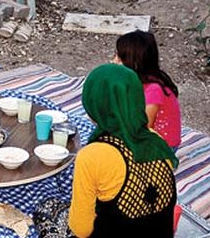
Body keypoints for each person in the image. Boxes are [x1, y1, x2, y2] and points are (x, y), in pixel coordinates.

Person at [68, 64, 178, 237]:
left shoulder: (91, 156)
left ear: (93, 103)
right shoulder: (156, 140)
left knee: (49, 209)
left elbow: (81, 230)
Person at [112, 30, 181, 149]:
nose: (114, 61)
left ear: (134, 62)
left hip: (161, 150)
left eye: (120, 58)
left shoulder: (153, 90)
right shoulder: (137, 80)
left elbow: (142, 129)